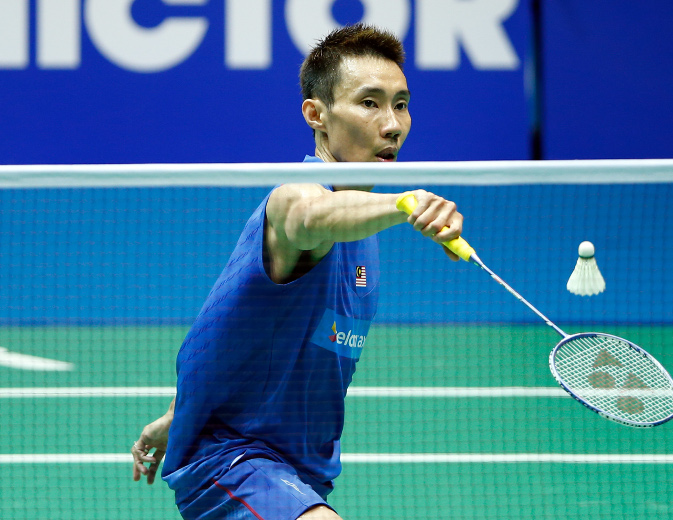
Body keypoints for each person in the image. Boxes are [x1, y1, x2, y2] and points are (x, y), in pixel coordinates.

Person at [131, 23, 464, 520]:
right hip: (233, 464)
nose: (392, 124)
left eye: (400, 103)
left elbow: (250, 341)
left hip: (300, 473)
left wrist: (178, 419)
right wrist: (405, 203)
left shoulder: (365, 229)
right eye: (370, 103)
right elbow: (311, 216)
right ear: (317, 114)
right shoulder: (296, 198)